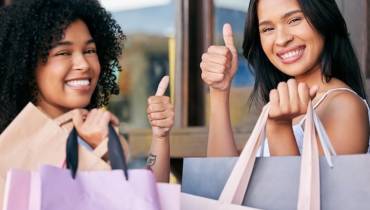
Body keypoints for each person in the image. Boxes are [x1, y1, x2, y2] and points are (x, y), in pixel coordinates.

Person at [0, 0, 174, 182]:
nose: (83, 64)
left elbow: (149, 199)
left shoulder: (95, 131)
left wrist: (160, 136)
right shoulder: (17, 141)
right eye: (63, 53)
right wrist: (96, 152)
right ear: (26, 65)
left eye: (90, 50)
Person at [201, 0, 369, 156]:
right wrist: (219, 90)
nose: (281, 39)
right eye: (267, 29)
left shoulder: (344, 107)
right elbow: (222, 179)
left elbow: (302, 188)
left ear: (323, 18)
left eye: (294, 20)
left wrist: (279, 128)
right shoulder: (282, 105)